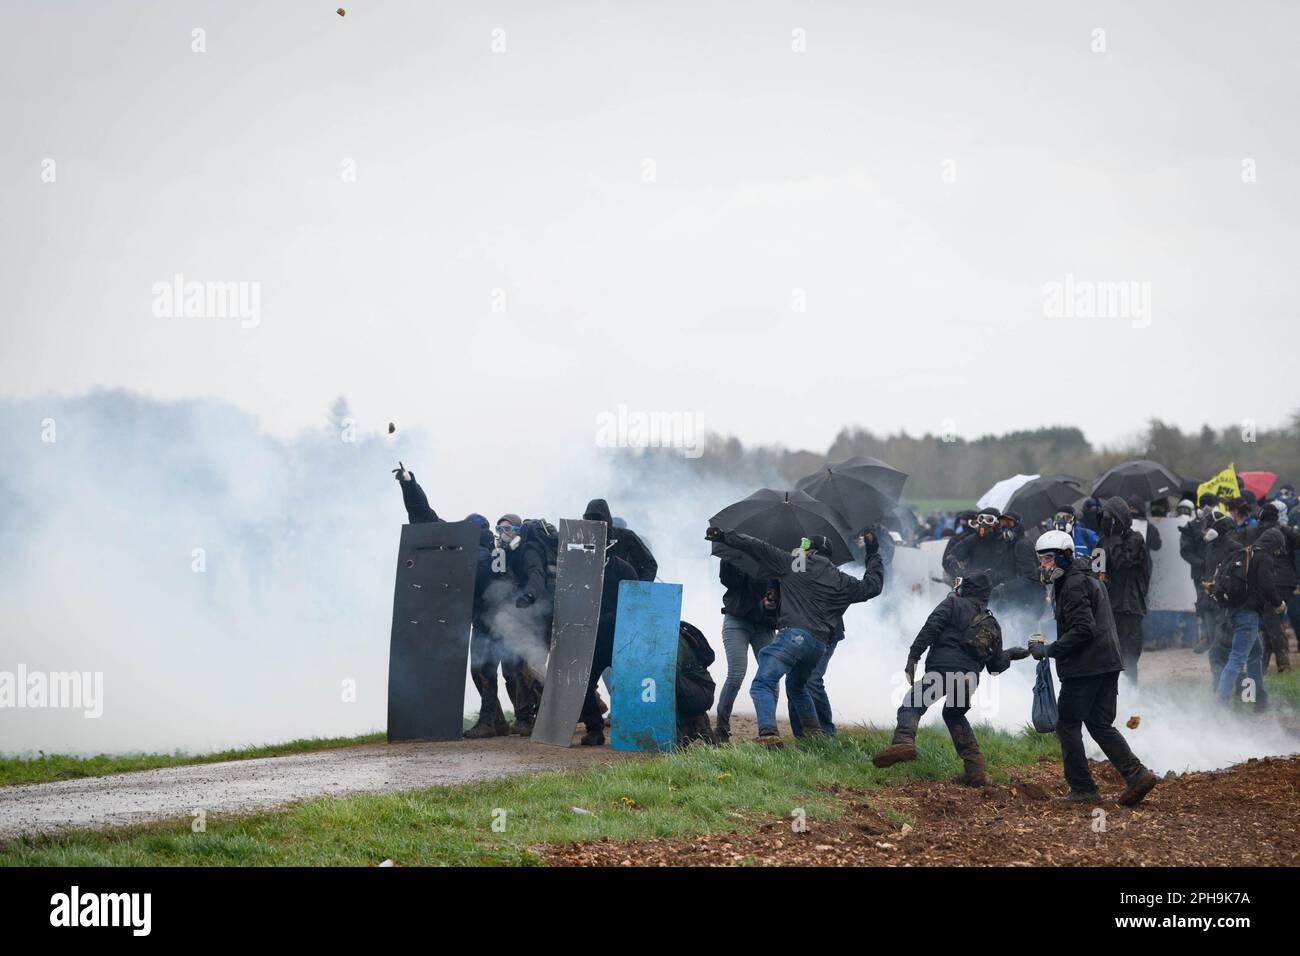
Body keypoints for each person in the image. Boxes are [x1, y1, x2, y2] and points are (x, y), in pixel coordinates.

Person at [705, 526, 885, 746]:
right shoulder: (842, 580)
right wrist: (873, 553)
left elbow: (758, 547)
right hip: (819, 645)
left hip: (793, 636)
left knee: (762, 683)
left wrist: (724, 537)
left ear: (811, 552)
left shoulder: (795, 565)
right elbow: (872, 586)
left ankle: (768, 733)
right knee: (798, 687)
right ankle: (815, 735)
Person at [1027, 530, 1158, 806]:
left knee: (1067, 725)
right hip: (1107, 662)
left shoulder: (1073, 584)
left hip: (1086, 666)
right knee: (1099, 723)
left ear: (1064, 557)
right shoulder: (1086, 577)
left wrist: (1050, 650)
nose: (1044, 565)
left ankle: (1083, 788)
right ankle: (1137, 775)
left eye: (1048, 559)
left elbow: (1083, 629)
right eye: (1041, 560)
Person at [873, 572, 1028, 786]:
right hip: (969, 679)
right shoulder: (992, 623)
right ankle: (975, 769)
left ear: (967, 588)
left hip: (942, 671)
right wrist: (1010, 654)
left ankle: (903, 742)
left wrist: (913, 657)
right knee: (954, 715)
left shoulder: (952, 604)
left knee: (912, 704)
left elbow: (930, 629)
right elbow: (995, 667)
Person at [1212, 526, 1286, 709]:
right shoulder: (1264, 558)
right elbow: (1267, 585)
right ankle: (1219, 705)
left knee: (1255, 654)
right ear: (1273, 544)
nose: (1277, 553)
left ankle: (1257, 699)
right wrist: (1278, 604)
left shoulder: (1247, 552)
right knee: (1237, 658)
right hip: (1248, 615)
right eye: (1278, 548)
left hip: (1233, 612)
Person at [576, 549, 640, 746]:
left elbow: (633, 605)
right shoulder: (580, 566)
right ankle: (594, 729)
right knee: (582, 684)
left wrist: (600, 620)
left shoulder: (623, 569)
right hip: (592, 641)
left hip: (621, 639)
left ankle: (633, 729)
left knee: (630, 685)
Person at [715, 559, 778, 743]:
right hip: (737, 619)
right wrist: (730, 556)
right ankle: (721, 729)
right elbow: (727, 580)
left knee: (771, 678)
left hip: (764, 624)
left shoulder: (772, 555)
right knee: (736, 674)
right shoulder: (736, 553)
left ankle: (769, 731)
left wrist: (774, 595)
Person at [1097, 496, 1151, 683]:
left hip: (1129, 607)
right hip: (1109, 608)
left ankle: (1131, 701)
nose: (1107, 524)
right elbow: (1096, 572)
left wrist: (1114, 538)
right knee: (1107, 657)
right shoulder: (1102, 542)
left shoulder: (1135, 539)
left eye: (1110, 519)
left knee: (1128, 659)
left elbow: (1123, 562)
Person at [1246, 502, 1298, 673]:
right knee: (1272, 620)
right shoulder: (1285, 530)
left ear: (1260, 516)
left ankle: (1283, 664)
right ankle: (1264, 663)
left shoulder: (1255, 532)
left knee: (1271, 621)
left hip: (1268, 581)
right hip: (1288, 582)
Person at [582, 498, 657, 582]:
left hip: (624, 589)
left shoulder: (628, 537)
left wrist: (638, 589)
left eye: (598, 519)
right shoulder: (584, 539)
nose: (595, 525)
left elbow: (650, 565)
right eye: (590, 520)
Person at [676, 621, 718, 747]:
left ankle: (676, 740)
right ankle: (696, 724)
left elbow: (671, 672)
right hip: (697, 689)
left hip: (701, 692)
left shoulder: (674, 638)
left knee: (667, 680)